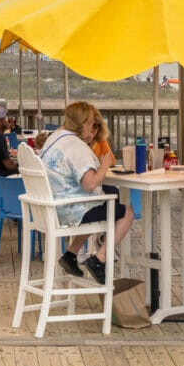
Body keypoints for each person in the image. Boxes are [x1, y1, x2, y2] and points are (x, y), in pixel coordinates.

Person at [39, 101, 134, 285]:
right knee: (126, 210)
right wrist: (105, 165)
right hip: (69, 210)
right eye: (92, 123)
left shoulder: (55, 138)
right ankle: (100, 258)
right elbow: (90, 184)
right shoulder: (76, 146)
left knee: (109, 194)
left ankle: (71, 254)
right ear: (82, 123)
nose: (94, 127)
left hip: (52, 205)